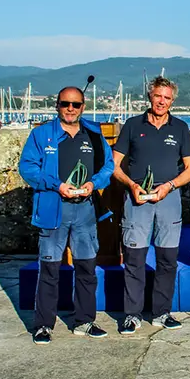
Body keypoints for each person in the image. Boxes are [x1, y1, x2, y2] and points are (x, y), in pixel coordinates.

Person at [19, 86, 115, 344]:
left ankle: (84, 321)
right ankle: (43, 325)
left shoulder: (94, 134)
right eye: (65, 104)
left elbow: (108, 165)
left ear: (83, 107)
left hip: (85, 210)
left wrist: (94, 184)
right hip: (53, 208)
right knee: (49, 268)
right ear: (57, 105)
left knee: (86, 267)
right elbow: (27, 167)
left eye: (75, 104)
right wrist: (56, 185)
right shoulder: (41, 135)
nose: (70, 109)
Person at [112, 77, 190, 334]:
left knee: (167, 259)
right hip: (137, 198)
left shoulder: (180, 128)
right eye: (159, 96)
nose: (162, 102)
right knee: (134, 259)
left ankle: (161, 312)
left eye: (167, 98)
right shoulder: (132, 125)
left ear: (173, 101)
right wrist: (131, 186)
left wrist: (169, 186)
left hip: (168, 198)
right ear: (150, 97)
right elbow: (114, 167)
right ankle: (132, 315)